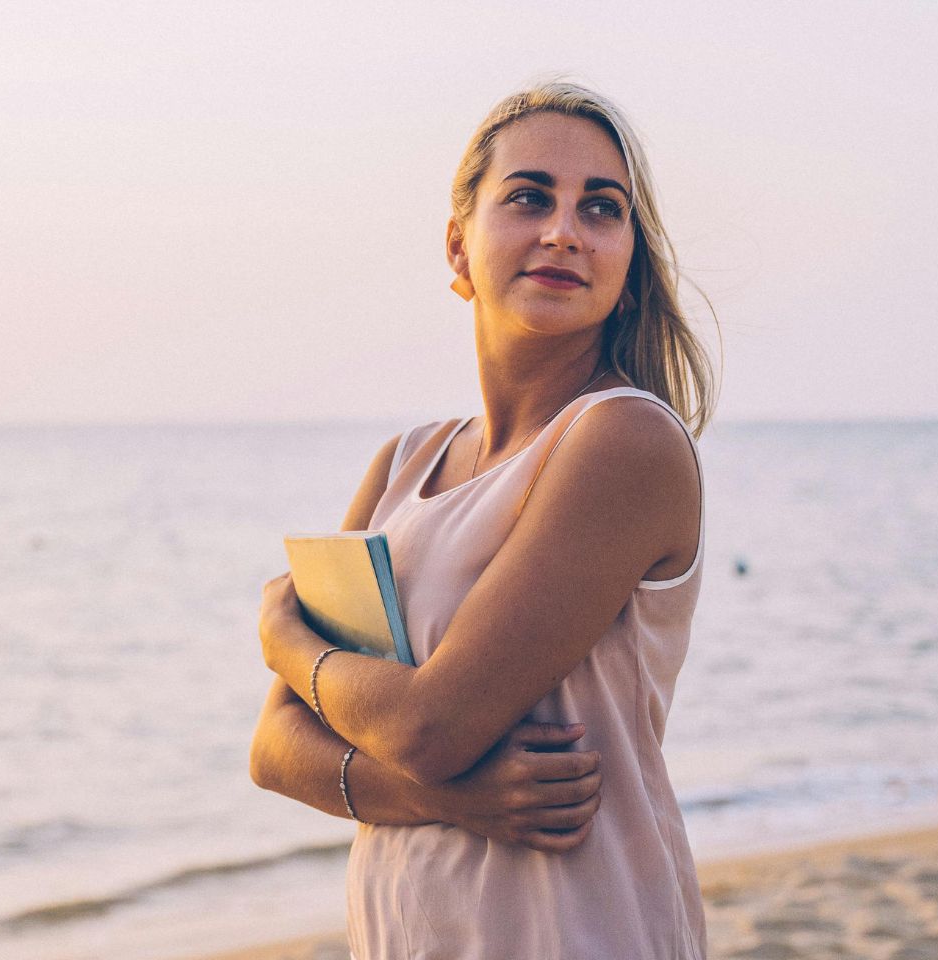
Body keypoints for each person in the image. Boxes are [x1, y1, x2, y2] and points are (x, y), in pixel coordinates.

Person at [248, 81, 717, 959]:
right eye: (530, 197)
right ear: (460, 248)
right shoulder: (404, 463)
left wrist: (285, 640)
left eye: (602, 209)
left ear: (626, 269)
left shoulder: (623, 439)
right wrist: (446, 798)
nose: (564, 230)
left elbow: (432, 726)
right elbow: (276, 748)